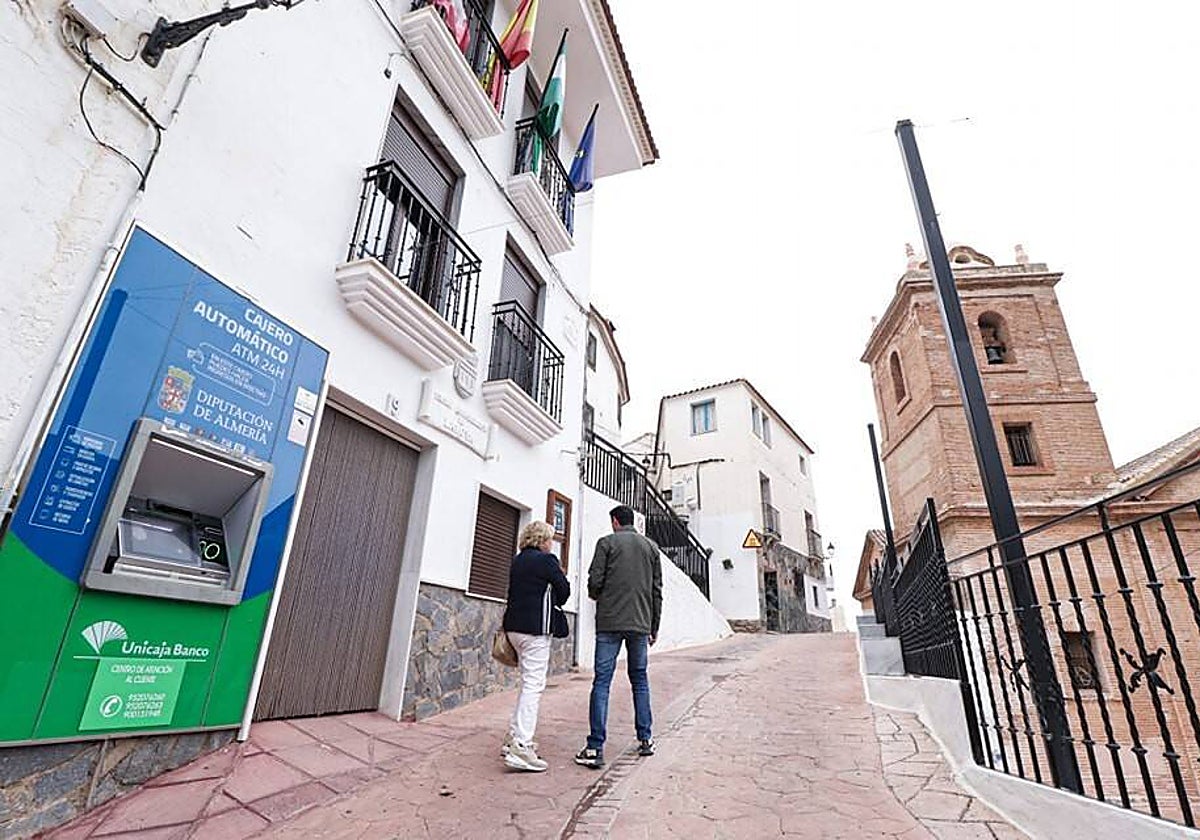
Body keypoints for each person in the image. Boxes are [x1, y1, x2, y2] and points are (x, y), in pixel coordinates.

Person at [575, 505, 662, 769]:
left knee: (602, 681)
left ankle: (595, 747)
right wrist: (653, 625)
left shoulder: (606, 543)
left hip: (610, 622)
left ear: (615, 521)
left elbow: (595, 579)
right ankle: (645, 739)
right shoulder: (651, 548)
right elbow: (656, 590)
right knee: (640, 680)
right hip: (640, 623)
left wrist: (597, 595)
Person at [501, 520, 571, 772]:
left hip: (513, 629)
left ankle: (513, 737)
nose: (551, 543)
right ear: (542, 540)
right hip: (535, 629)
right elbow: (564, 592)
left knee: (526, 683)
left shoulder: (518, 560)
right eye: (549, 539)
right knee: (534, 685)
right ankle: (522, 745)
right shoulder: (547, 560)